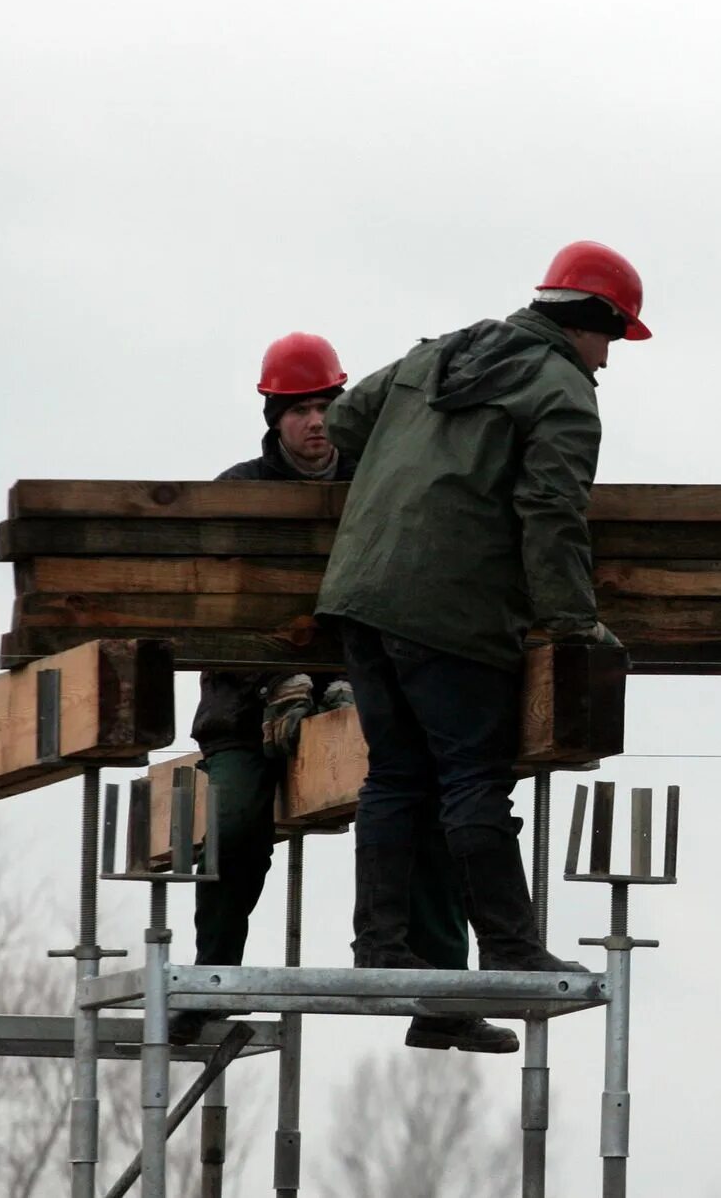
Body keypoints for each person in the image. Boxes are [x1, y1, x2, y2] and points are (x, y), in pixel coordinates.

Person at [175, 332, 516, 1054]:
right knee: (234, 822)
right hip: (246, 711)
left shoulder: (378, 482)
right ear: (274, 417)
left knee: (430, 802)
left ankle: (442, 997)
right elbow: (216, 620)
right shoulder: (238, 493)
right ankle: (208, 985)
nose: (316, 421)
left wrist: (340, 683)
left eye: (327, 404)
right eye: (300, 409)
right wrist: (277, 684)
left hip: (372, 687)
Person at [316, 241, 648, 974]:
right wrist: (570, 623)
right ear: (589, 321)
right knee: (473, 781)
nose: (608, 358)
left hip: (359, 596)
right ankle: (510, 946)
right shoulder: (564, 391)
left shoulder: (443, 352)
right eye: (613, 337)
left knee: (395, 776)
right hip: (449, 613)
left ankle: (379, 946)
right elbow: (552, 510)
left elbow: (342, 426)